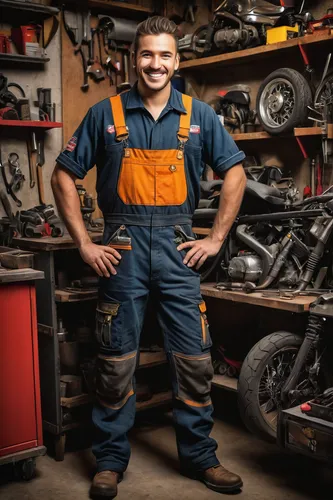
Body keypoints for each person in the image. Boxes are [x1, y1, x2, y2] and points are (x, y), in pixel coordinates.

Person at [51, 16, 246, 499]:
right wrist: (84, 244)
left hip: (180, 254)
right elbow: (62, 176)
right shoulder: (105, 114)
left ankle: (201, 457)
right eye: (146, 54)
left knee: (194, 359)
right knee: (116, 360)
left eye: (164, 55)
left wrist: (216, 240)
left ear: (176, 61)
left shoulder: (199, 116)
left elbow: (235, 174)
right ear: (133, 58)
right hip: (123, 251)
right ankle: (110, 462)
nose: (155, 64)